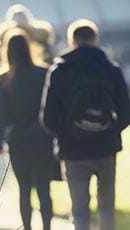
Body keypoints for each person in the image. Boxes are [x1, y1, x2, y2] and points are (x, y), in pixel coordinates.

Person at [41, 19, 130, 230]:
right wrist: (109, 130)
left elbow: (48, 119)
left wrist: (67, 134)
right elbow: (126, 113)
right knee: (106, 207)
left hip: (73, 151)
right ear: (95, 40)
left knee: (80, 211)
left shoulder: (59, 71)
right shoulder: (111, 69)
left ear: (72, 42)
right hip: (106, 148)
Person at [0, 30, 54, 230]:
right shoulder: (44, 73)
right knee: (44, 189)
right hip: (41, 138)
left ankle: (27, 227)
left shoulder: (3, 79)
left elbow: (0, 114)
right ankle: (47, 227)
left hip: (17, 141)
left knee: (24, 189)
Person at [0, 4, 54, 74]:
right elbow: (50, 60)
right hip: (38, 75)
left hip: (14, 78)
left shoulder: (5, 39)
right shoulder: (40, 37)